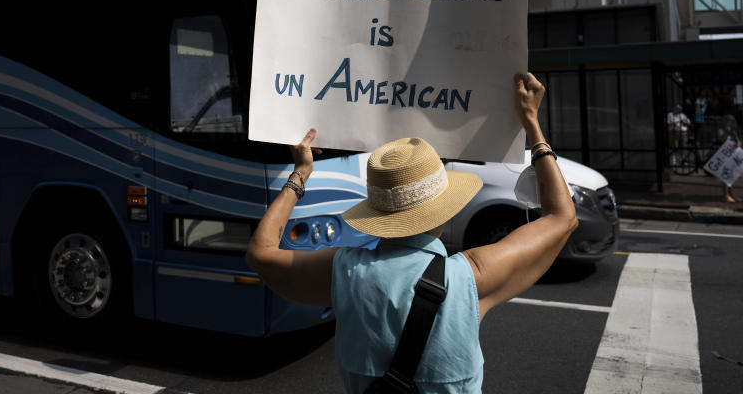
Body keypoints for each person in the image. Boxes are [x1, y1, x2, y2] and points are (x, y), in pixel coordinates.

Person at [245, 73, 577, 392]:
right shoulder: (471, 277)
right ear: (443, 209)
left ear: (377, 211)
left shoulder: (345, 272)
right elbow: (562, 217)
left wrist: (300, 173)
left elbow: (261, 253)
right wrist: (531, 123)